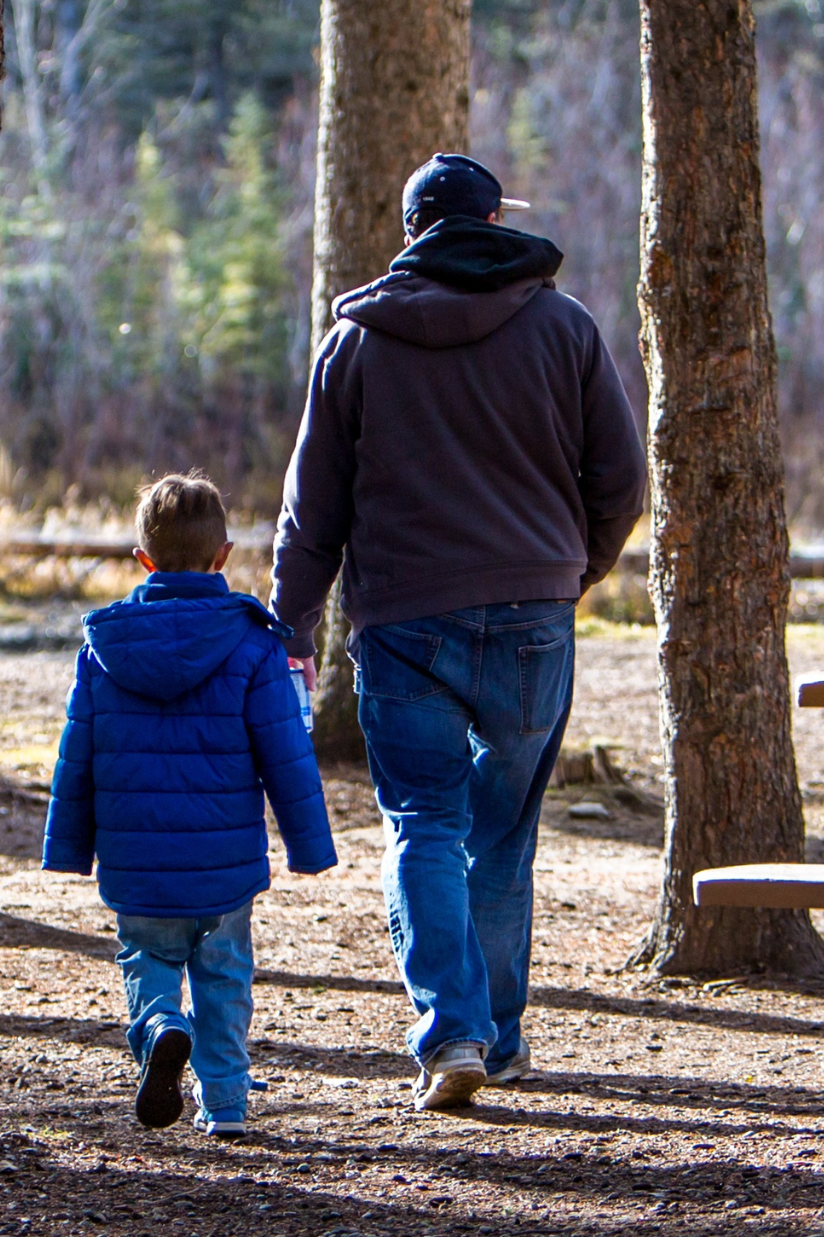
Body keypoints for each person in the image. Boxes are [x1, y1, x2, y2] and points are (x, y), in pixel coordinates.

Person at [271, 154, 648, 1111]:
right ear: (490, 221)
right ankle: (502, 1037)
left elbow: (311, 512)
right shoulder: (563, 328)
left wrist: (292, 624)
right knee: (503, 834)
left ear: (412, 234)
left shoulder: (354, 345)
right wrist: (572, 570)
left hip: (402, 622)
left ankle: (455, 1036)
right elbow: (621, 480)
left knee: (424, 825)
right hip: (533, 614)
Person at [44, 473, 338, 1136]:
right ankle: (226, 1105)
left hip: (136, 857)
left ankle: (158, 1028)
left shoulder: (105, 650)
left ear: (142, 560)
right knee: (225, 975)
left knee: (146, 956)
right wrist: (310, 844)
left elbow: (78, 751)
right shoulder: (255, 644)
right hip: (223, 860)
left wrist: (67, 847)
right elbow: (284, 752)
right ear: (224, 555)